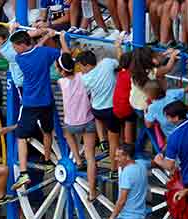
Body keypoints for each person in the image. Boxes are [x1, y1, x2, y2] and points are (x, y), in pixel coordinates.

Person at [13, 29, 66, 190]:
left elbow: (34, 50)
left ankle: (23, 173)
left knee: (21, 136)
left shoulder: (19, 58)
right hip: (46, 101)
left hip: (30, 103)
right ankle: (48, 159)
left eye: (15, 46)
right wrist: (56, 37)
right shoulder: (45, 53)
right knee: (47, 131)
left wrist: (43, 37)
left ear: (22, 45)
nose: (14, 49)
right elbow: (61, 54)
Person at [57, 52, 97, 199]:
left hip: (72, 124)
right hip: (88, 121)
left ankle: (78, 159)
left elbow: (65, 72)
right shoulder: (83, 77)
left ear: (62, 71)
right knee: (91, 156)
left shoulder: (62, 83)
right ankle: (92, 191)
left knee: (66, 132)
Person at [77, 48, 121, 172]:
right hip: (111, 110)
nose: (80, 70)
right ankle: (114, 170)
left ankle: (102, 140)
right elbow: (120, 63)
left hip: (98, 110)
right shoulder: (107, 63)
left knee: (97, 115)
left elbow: (87, 93)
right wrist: (118, 47)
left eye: (81, 66)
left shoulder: (85, 79)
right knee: (114, 142)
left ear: (86, 65)